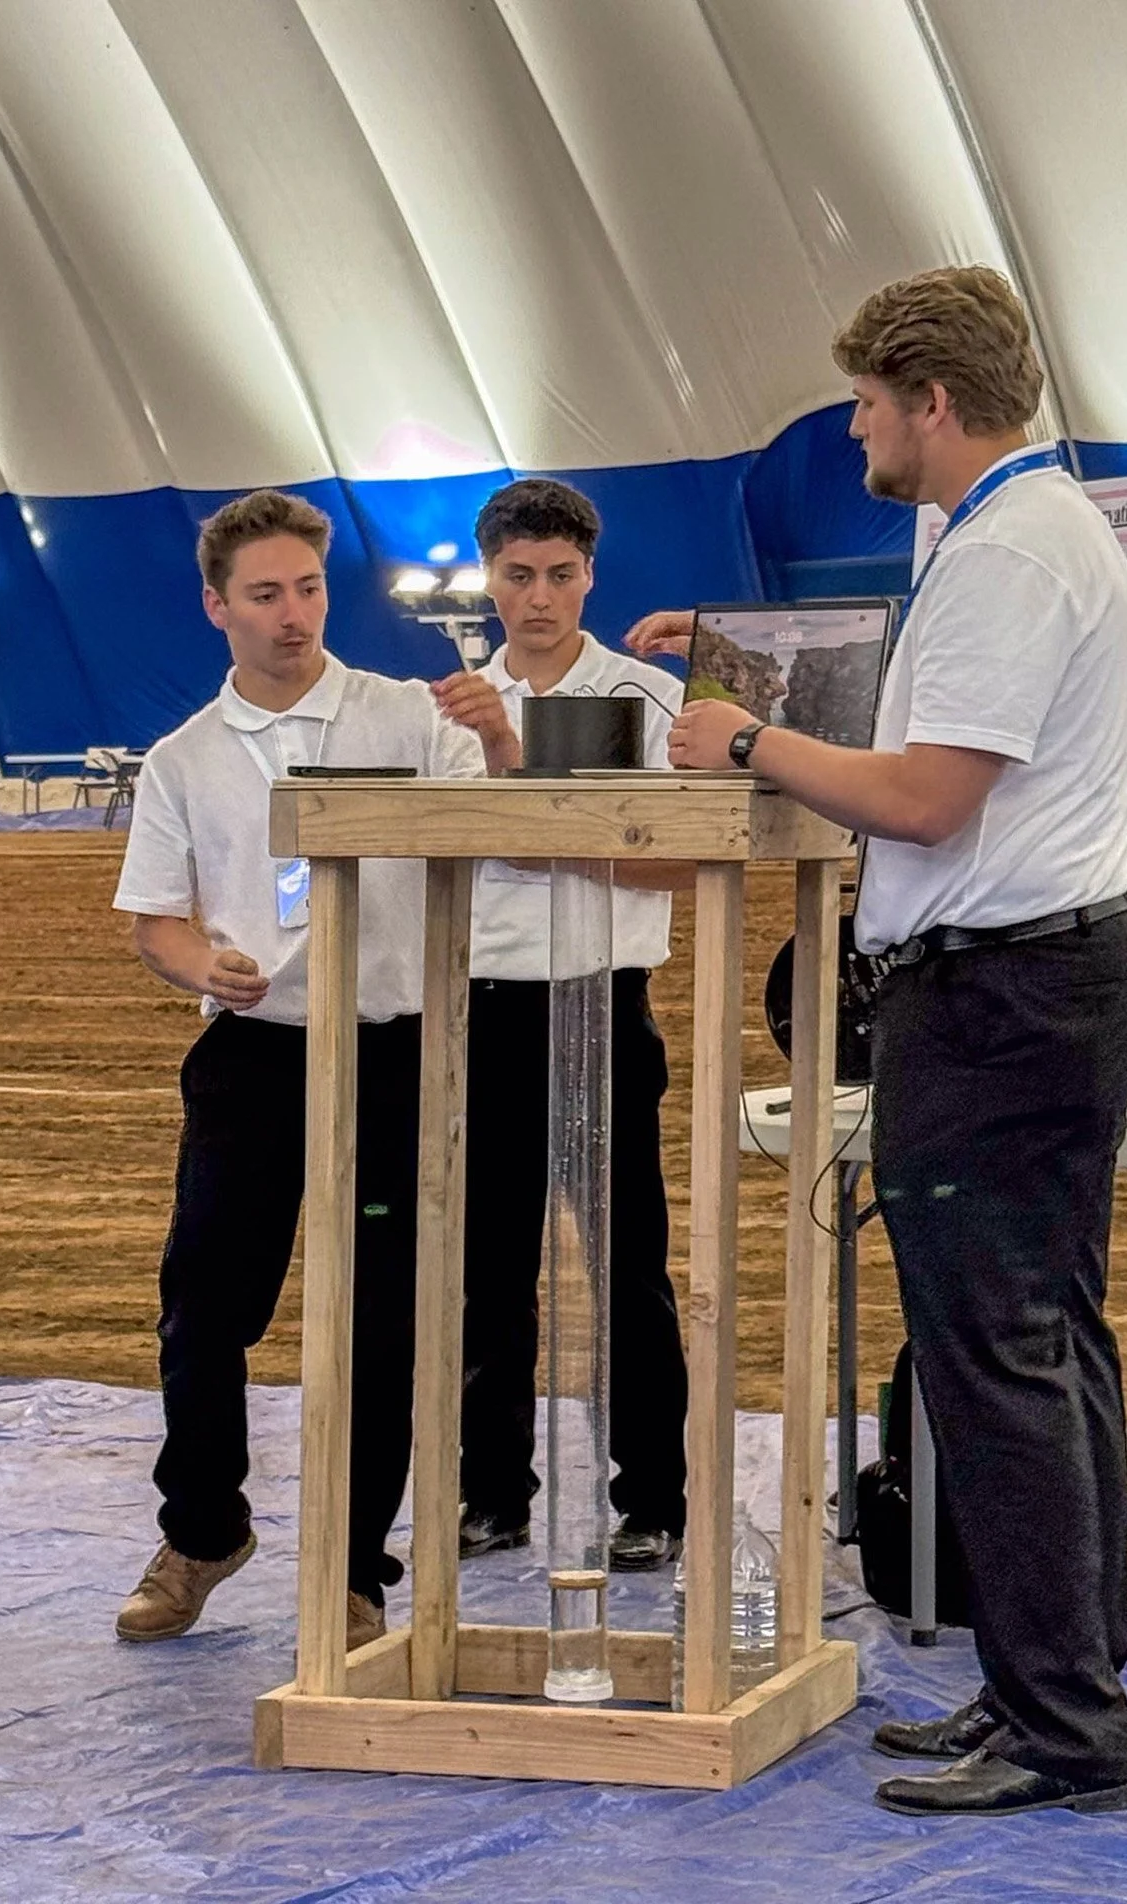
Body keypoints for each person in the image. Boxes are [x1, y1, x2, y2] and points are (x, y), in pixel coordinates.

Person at [629, 266, 1127, 1818]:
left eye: (866, 404)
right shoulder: (1006, 531)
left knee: (995, 1363)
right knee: (1046, 1347)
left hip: (1007, 998)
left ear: (932, 402)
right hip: (1046, 982)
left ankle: (1062, 1729)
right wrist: (736, 662)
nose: (855, 430)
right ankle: (1054, 1688)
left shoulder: (1007, 557)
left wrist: (742, 736)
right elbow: (906, 712)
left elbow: (927, 797)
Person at [112, 488, 517, 1649]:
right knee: (202, 1304)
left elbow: (507, 824)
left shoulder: (408, 717)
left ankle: (353, 1571)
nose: (293, 613)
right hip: (252, 1059)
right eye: (265, 594)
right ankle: (202, 1528)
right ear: (217, 607)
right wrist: (209, 962)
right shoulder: (183, 758)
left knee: (380, 1320)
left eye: (308, 588)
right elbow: (155, 920)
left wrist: (498, 741)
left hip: (391, 1052)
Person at [454, 478, 689, 1572]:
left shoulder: (649, 698)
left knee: (627, 1266)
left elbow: (684, 858)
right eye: (518, 575)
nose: (538, 596)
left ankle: (655, 1498)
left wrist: (549, 835)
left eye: (558, 574)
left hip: (604, 999)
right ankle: (491, 1491)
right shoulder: (451, 710)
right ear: (489, 579)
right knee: (487, 1269)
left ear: (590, 575)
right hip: (484, 1010)